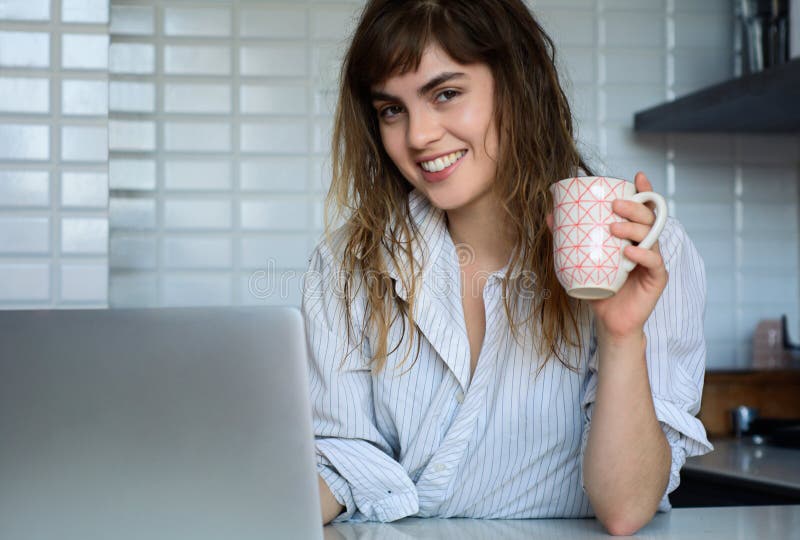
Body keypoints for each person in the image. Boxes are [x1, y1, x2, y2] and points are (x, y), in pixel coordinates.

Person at [301, 0, 712, 535]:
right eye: (391, 110)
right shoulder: (346, 265)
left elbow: (625, 508)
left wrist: (621, 333)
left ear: (517, 86)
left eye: (446, 94)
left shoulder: (643, 250)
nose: (418, 135)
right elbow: (339, 460)